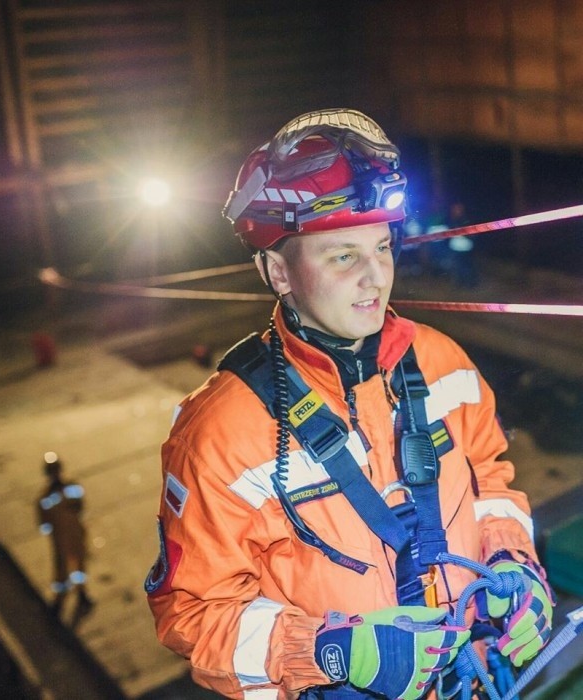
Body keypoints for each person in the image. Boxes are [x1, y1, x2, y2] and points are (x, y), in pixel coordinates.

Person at [145, 109, 553, 699]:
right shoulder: (219, 434)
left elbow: (490, 481)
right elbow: (192, 614)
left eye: (382, 248)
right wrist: (324, 651)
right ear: (278, 271)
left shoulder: (444, 364)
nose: (376, 278)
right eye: (343, 256)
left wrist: (515, 564)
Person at [37, 451, 94, 618]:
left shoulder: (71, 489)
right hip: (61, 539)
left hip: (75, 536)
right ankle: (59, 602)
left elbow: (81, 507)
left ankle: (81, 593)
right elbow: (44, 523)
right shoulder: (44, 498)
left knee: (79, 566)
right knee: (61, 571)